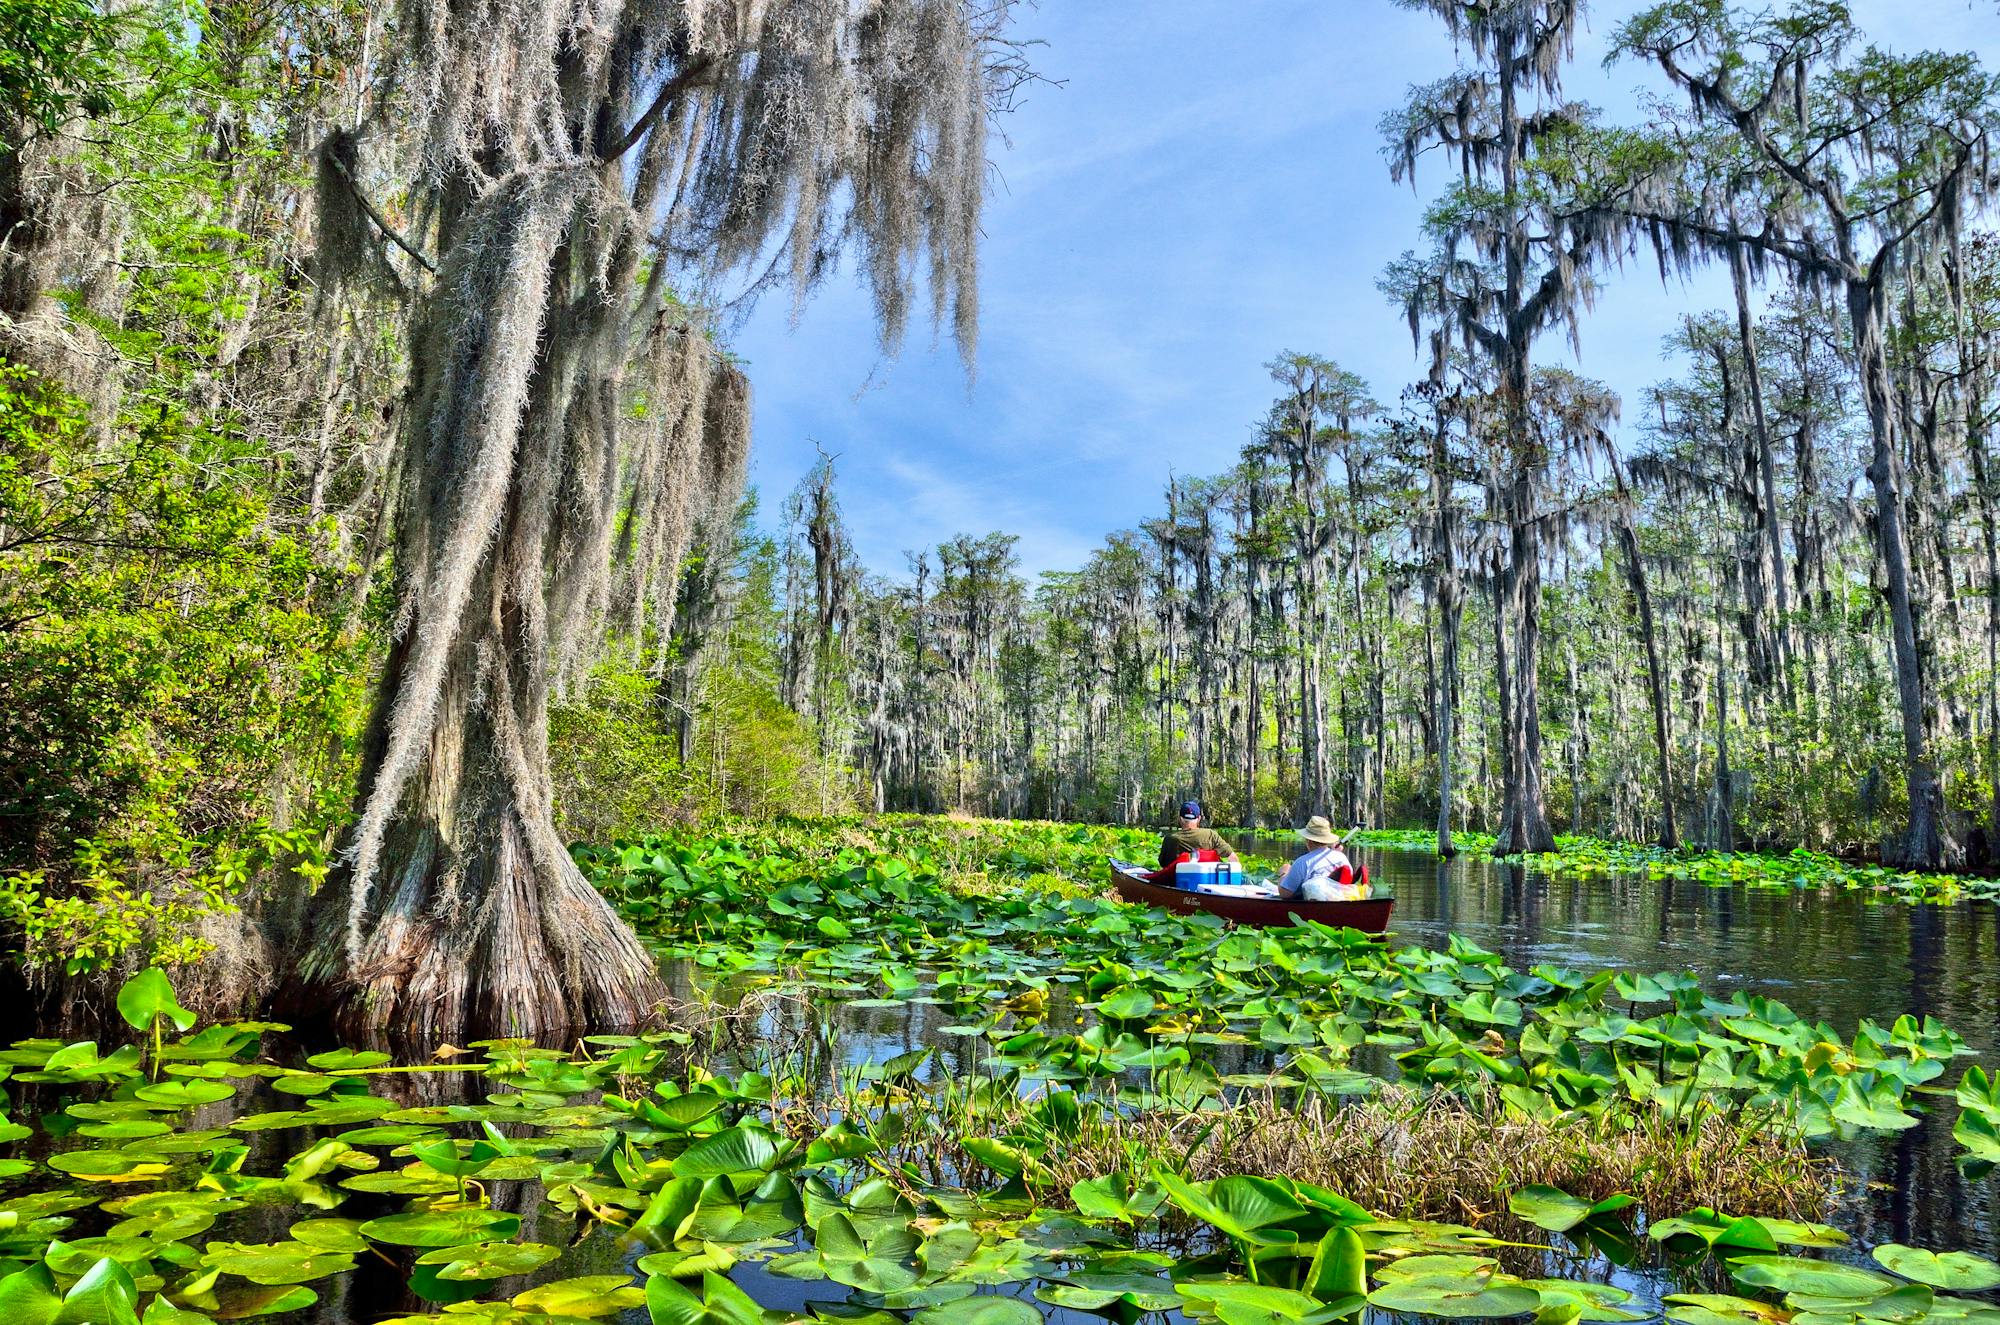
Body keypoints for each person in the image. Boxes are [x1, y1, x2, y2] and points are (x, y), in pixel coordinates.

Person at [1277, 816, 1367, 901]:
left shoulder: (1302, 862)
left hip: (1314, 908)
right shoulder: (1341, 857)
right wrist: (1335, 853)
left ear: (1308, 840)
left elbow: (1285, 894)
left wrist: (1283, 873)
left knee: (1286, 869)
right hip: (1339, 902)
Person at [1156, 800, 1237, 872]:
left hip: (1179, 882)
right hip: (1208, 882)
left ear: (1180, 818)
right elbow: (1233, 858)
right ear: (1199, 819)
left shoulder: (1170, 839)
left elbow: (1163, 864)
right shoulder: (1211, 835)